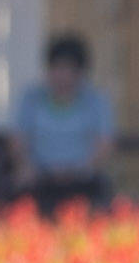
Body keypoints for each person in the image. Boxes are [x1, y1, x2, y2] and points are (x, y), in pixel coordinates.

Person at [9, 34, 117, 211]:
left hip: (81, 180)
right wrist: (26, 166)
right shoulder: (31, 98)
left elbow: (105, 145)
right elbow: (17, 140)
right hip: (40, 178)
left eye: (69, 70)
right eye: (57, 68)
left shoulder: (96, 101)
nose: (63, 76)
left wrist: (80, 170)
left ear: (81, 73)